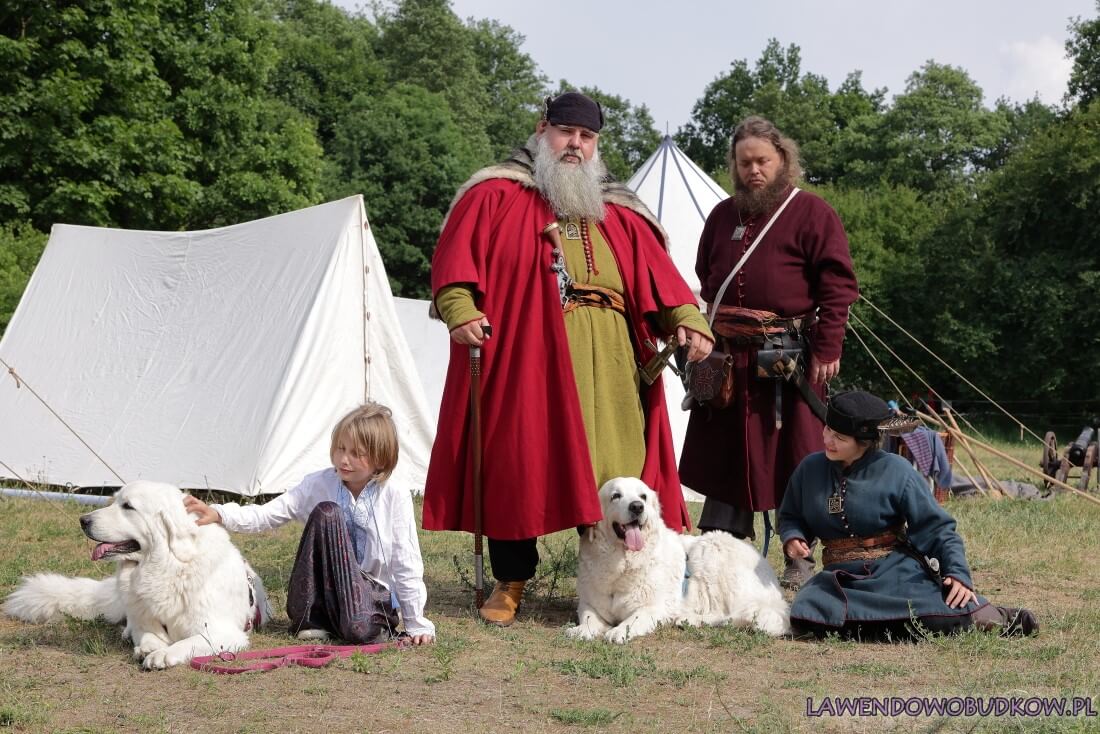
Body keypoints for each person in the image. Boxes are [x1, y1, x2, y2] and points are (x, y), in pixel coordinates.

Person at [424, 91, 714, 626]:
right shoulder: (494, 195)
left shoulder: (618, 211)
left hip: (611, 366)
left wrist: (688, 320)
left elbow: (661, 281)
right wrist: (459, 309)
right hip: (526, 357)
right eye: (566, 133)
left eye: (587, 137)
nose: (575, 145)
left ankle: (630, 585)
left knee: (617, 473)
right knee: (521, 462)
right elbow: (454, 268)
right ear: (542, 131)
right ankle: (511, 580)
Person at [678, 115, 859, 589]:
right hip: (726, 361)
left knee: (795, 457)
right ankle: (720, 558)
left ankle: (798, 557)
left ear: (783, 161)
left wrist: (828, 343)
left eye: (763, 161)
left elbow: (838, 286)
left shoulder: (812, 212)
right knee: (726, 455)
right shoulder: (721, 216)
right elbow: (705, 279)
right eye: (744, 163)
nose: (753, 170)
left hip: (787, 358)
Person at [778, 390, 1038, 640]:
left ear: (865, 443)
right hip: (840, 579)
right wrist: (793, 537)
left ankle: (998, 617)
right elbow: (791, 516)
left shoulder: (897, 470)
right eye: (827, 430)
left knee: (936, 617)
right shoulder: (809, 469)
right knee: (806, 617)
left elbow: (936, 528)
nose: (828, 440)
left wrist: (957, 573)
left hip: (895, 573)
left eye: (840, 438)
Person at [184, 403, 435, 646]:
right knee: (327, 513)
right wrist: (219, 514)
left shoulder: (394, 494)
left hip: (367, 603)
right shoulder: (318, 483)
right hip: (322, 599)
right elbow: (268, 514)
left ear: (380, 459)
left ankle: (351, 625)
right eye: (340, 448)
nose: (343, 459)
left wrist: (416, 623)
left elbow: (406, 560)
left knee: (358, 625)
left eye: (355, 454)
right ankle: (313, 620)